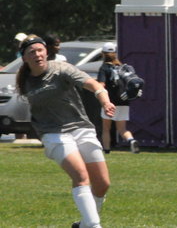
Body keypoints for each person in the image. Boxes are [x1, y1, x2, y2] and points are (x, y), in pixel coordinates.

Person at [15, 35, 115, 228]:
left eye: (40, 50)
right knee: (81, 176)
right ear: (24, 58)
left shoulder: (61, 69)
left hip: (81, 128)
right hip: (53, 134)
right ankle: (94, 225)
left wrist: (105, 101)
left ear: (46, 51)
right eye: (31, 52)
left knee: (102, 184)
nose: (37, 54)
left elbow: (92, 84)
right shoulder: (24, 80)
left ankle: (84, 224)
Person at [97, 42, 140, 154]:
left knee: (106, 128)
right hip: (124, 100)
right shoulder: (122, 67)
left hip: (109, 101)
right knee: (122, 129)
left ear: (103, 54)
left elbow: (101, 85)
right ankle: (131, 140)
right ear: (115, 54)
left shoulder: (104, 68)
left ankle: (106, 150)